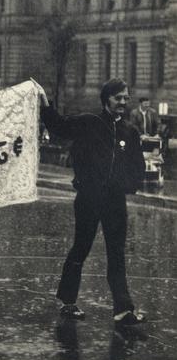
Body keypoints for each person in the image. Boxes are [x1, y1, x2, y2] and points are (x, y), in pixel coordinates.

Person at [38, 78, 146, 326]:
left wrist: (128, 185)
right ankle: (67, 301)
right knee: (81, 247)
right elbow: (59, 126)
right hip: (89, 197)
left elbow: (137, 166)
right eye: (118, 98)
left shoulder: (129, 132)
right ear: (106, 99)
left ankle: (123, 309)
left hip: (115, 201)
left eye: (125, 98)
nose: (123, 102)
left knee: (116, 254)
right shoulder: (90, 123)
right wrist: (46, 105)